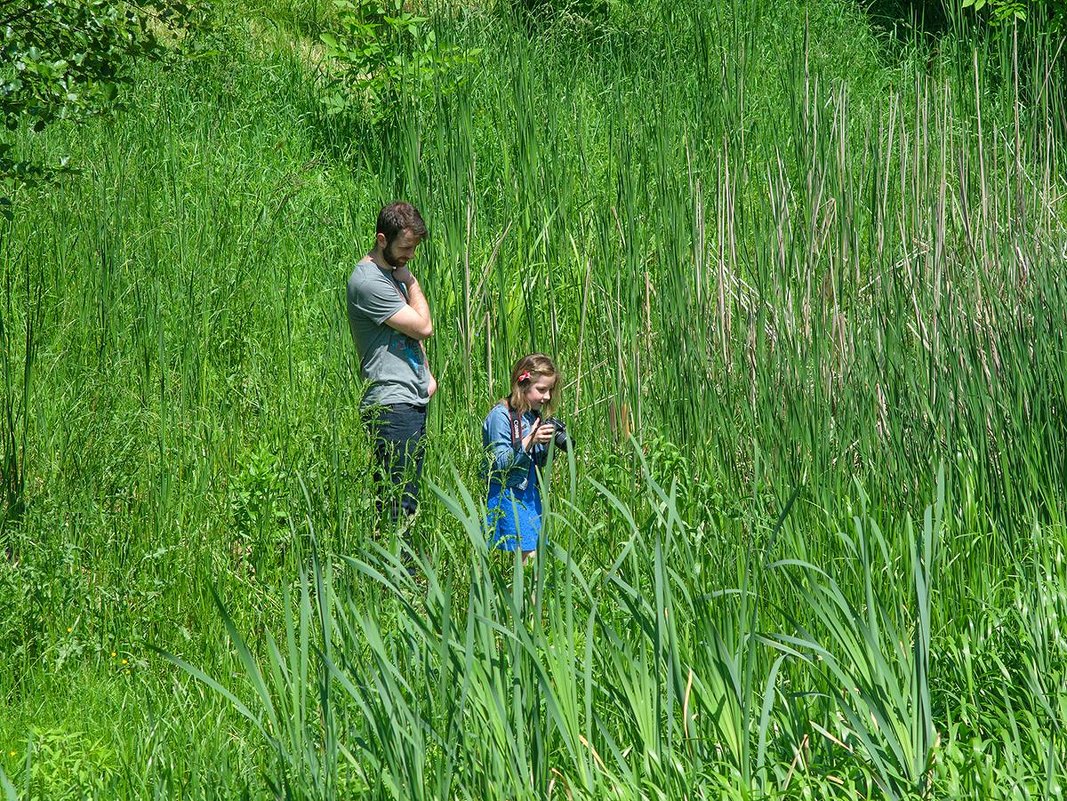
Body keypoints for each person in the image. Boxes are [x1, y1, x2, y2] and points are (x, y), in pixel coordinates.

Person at [347, 201, 436, 528]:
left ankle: (401, 571)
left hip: (410, 399)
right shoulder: (369, 281)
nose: (410, 255)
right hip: (390, 403)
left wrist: (426, 373)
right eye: (405, 247)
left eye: (414, 248)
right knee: (399, 502)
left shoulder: (391, 274)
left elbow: (411, 334)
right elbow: (423, 326)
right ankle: (401, 574)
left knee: (407, 496)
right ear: (382, 239)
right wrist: (411, 281)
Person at [483, 353, 561, 562]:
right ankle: (524, 595)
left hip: (531, 497)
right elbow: (498, 462)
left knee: (534, 558)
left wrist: (547, 444)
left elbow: (538, 463)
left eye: (550, 390)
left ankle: (527, 595)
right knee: (530, 559)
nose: (546, 397)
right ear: (523, 384)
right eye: (541, 390)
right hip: (508, 495)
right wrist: (529, 441)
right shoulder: (500, 416)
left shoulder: (531, 415)